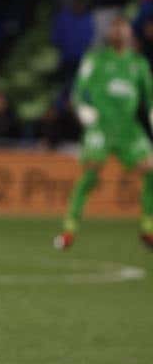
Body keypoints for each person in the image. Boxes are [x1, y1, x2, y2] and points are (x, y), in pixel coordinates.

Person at [55, 16, 153, 251]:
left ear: (130, 33)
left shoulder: (139, 64)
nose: (119, 32)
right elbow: (78, 91)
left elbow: (150, 98)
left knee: (151, 170)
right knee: (91, 174)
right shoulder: (95, 59)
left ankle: (148, 228)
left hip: (129, 129)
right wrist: (84, 110)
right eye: (115, 28)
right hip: (101, 127)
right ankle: (69, 229)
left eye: (123, 28)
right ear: (110, 34)